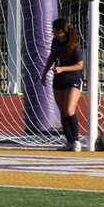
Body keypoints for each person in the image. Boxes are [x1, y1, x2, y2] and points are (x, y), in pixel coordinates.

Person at [41, 18, 84, 151]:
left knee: (69, 110)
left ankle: (76, 141)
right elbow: (52, 57)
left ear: (63, 31)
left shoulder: (74, 44)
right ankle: (69, 142)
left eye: (56, 31)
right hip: (59, 80)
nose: (54, 33)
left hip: (73, 79)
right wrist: (44, 73)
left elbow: (80, 65)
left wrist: (62, 69)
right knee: (62, 112)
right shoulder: (55, 42)